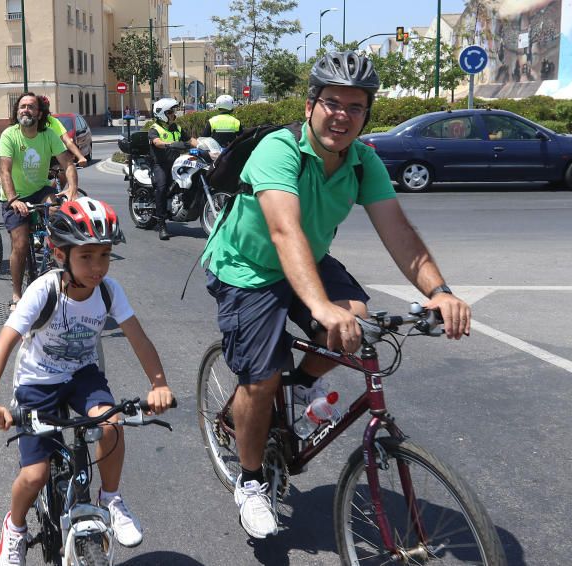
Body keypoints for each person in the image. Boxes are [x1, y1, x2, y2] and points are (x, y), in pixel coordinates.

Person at [200, 51, 472, 540]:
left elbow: (399, 231)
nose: (342, 114)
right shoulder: (278, 149)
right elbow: (284, 231)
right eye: (332, 102)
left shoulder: (363, 160)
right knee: (260, 381)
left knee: (355, 323)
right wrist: (320, 306)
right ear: (311, 106)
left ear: (367, 114)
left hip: (309, 257)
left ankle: (301, 383)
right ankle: (252, 479)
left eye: (356, 106)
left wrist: (441, 291)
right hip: (247, 266)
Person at [0, 197, 174, 566]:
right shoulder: (43, 291)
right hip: (37, 382)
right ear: (60, 254)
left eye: (104, 255)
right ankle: (14, 528)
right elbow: (2, 346)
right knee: (35, 475)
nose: (98, 266)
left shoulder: (109, 290)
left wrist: (158, 383)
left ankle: (111, 499)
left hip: (82, 375)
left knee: (111, 423)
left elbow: (139, 338)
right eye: (86, 256)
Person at [0, 92, 79, 311]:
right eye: (22, 106)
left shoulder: (49, 134)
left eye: (31, 107)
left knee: (57, 210)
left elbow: (67, 163)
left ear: (39, 113)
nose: (26, 110)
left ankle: (54, 252)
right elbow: (4, 171)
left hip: (40, 190)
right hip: (15, 196)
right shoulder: (9, 135)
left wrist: (72, 189)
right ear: (17, 112)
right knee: (21, 244)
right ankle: (16, 294)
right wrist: (13, 199)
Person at [147, 97, 197, 241]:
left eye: (173, 111)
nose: (173, 114)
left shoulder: (176, 128)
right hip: (160, 164)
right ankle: (162, 224)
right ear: (162, 113)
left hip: (176, 164)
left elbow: (190, 140)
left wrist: (203, 146)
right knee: (162, 188)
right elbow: (157, 142)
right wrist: (169, 144)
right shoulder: (154, 129)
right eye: (170, 112)